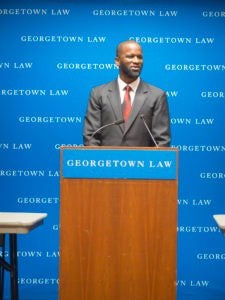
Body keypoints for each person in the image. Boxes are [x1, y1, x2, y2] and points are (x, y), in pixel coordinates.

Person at [83, 40, 171, 147]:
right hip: (107, 161)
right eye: (130, 56)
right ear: (117, 61)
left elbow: (161, 141)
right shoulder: (98, 93)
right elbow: (91, 136)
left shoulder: (157, 95)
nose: (136, 61)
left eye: (139, 57)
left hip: (143, 162)